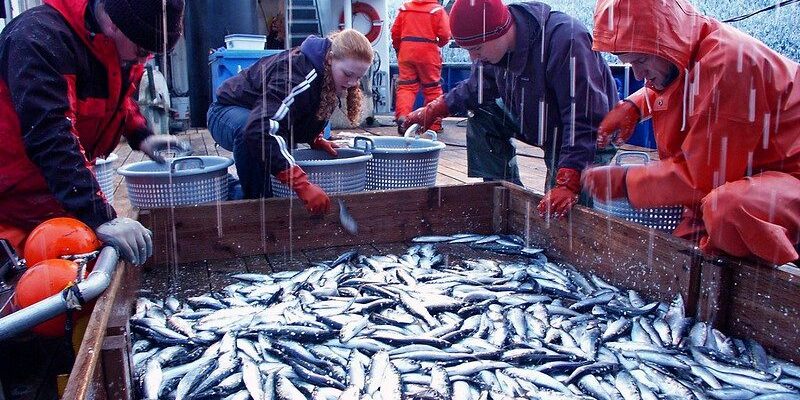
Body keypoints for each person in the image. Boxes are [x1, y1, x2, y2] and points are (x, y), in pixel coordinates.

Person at [582, 0, 800, 265]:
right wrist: (634, 106)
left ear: (665, 40)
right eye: (628, 63)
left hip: (790, 177)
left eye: (640, 60)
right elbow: (683, 83)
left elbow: (702, 179)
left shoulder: (729, 61)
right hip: (748, 170)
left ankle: (760, 276)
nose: (638, 75)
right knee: (701, 213)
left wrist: (625, 182)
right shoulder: (689, 46)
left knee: (726, 209)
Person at [0, 0, 188, 266]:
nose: (143, 58)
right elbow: (51, 138)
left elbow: (117, 97)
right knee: (32, 296)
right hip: (11, 208)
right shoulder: (38, 40)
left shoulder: (114, 42)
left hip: (59, 201)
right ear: (113, 23)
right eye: (142, 49)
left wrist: (141, 134)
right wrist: (101, 216)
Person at [402, 0, 618, 219]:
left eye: (476, 49)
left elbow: (584, 117)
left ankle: (578, 203)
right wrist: (436, 108)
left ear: (501, 30)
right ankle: (506, 195)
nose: (473, 58)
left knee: (562, 217)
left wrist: (568, 180)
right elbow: (476, 88)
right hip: (540, 120)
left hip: (589, 135)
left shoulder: (567, 39)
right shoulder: (493, 48)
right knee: (481, 112)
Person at [207, 29, 373, 215]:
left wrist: (313, 137)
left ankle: (250, 193)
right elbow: (260, 129)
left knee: (266, 139)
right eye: (348, 74)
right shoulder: (297, 74)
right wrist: (301, 184)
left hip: (258, 116)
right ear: (330, 58)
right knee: (251, 133)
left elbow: (296, 109)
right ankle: (252, 207)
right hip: (225, 112)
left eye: (358, 77)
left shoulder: (327, 75)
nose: (352, 82)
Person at [391, 0, 451, 134]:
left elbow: (395, 32)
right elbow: (445, 35)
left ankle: (403, 118)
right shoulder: (437, 10)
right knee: (432, 89)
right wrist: (438, 44)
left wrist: (398, 47)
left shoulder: (405, 8)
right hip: (428, 52)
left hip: (406, 51)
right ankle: (433, 125)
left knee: (406, 87)